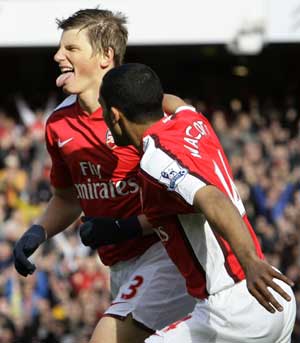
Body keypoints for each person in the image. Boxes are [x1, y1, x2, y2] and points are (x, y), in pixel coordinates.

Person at [12, 9, 195, 343]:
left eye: (71, 48)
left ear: (105, 57)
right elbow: (68, 198)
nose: (57, 56)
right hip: (119, 266)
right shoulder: (58, 123)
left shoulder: (145, 115)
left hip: (166, 253)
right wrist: (38, 232)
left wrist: (122, 227)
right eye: (59, 48)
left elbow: (186, 196)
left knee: (105, 339)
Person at [97, 63, 297, 342]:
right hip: (273, 294)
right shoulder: (191, 120)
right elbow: (174, 101)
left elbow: (213, 200)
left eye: (103, 108)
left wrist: (249, 261)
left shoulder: (155, 159)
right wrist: (119, 229)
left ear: (115, 115)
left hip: (235, 307)